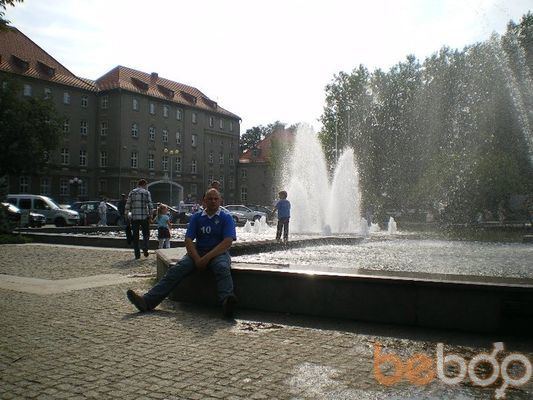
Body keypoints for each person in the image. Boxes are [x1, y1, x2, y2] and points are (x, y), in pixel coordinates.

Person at [126, 188, 238, 318]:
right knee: (177, 269)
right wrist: (197, 258)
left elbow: (227, 242)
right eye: (210, 199)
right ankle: (147, 301)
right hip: (198, 252)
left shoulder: (226, 218)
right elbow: (188, 240)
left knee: (222, 268)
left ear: (220, 201)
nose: (213, 201)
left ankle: (227, 303)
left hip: (218, 253)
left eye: (216, 199)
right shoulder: (197, 217)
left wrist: (206, 258)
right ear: (204, 201)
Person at [125, 179, 154, 259]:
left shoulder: (132, 192)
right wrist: (151, 215)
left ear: (138, 184)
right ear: (144, 185)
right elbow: (150, 205)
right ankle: (145, 247)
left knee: (135, 236)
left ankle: (137, 254)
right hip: (144, 217)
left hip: (134, 218)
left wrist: (126, 215)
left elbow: (127, 205)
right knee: (146, 234)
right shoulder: (146, 192)